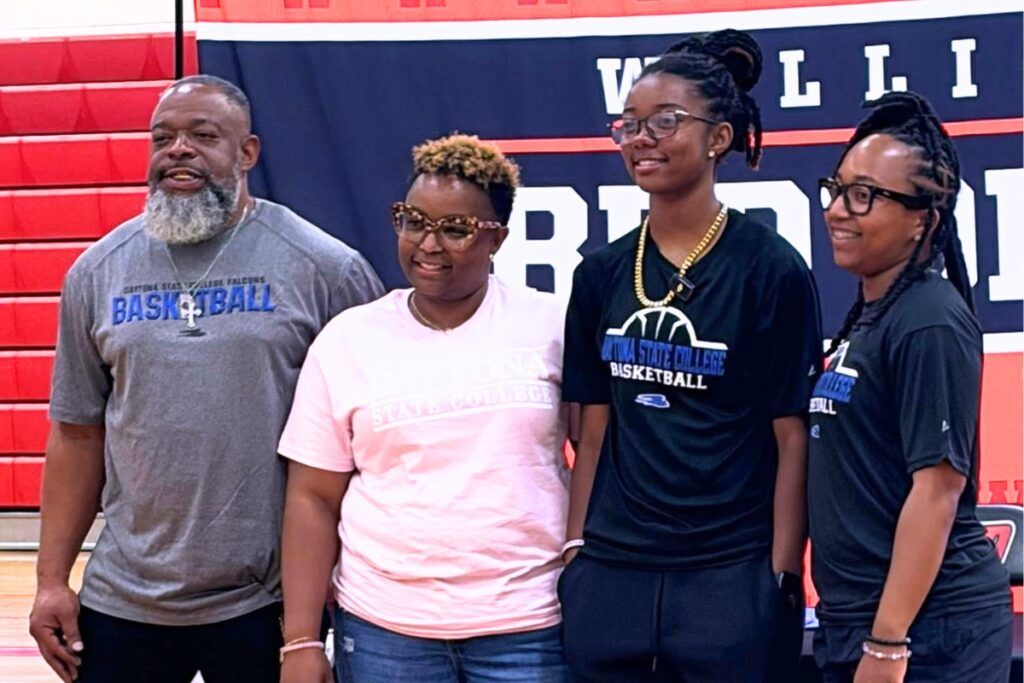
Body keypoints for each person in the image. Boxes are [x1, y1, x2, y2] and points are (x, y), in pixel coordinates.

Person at [28, 74, 384, 683]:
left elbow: (370, 442)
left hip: (268, 599)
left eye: (202, 135)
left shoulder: (325, 267)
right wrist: (51, 580)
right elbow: (77, 435)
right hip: (124, 596)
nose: (178, 150)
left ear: (247, 153)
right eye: (162, 138)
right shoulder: (96, 272)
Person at [559, 29, 822, 682]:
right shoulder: (601, 273)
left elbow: (793, 436)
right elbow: (590, 429)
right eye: (630, 124)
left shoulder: (771, 269)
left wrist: (782, 574)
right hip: (614, 572)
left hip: (729, 571)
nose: (641, 138)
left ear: (720, 138)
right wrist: (575, 555)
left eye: (665, 122)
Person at [276, 134, 571, 683]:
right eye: (413, 221)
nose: (428, 243)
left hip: (529, 624)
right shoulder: (349, 340)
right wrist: (301, 640)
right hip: (386, 629)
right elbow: (313, 496)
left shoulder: (550, 325)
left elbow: (599, 453)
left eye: (456, 229)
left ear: (497, 239)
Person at [808, 91, 1012, 683]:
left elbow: (937, 492)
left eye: (864, 196)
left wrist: (889, 643)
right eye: (837, 189)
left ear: (923, 218)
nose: (838, 210)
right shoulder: (873, 313)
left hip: (930, 632)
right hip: (860, 620)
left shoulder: (928, 318)